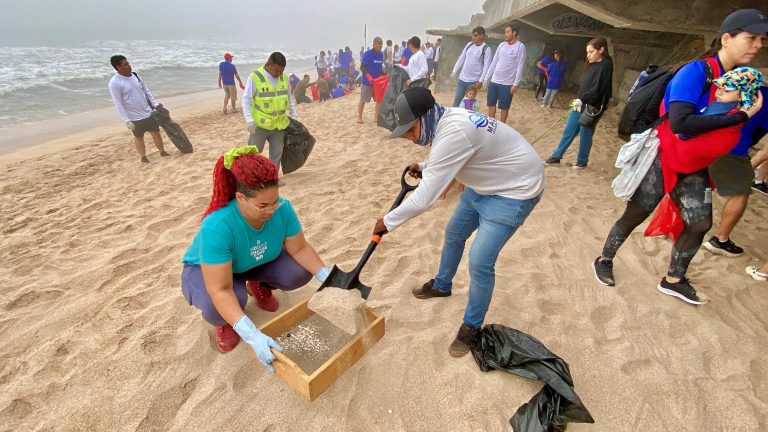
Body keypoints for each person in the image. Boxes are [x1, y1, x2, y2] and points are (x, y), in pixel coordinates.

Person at [591, 10, 766, 305]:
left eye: (762, 40)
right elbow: (680, 123)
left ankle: (673, 279)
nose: (758, 45)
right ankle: (604, 258)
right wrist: (740, 116)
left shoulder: (736, 80)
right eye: (751, 38)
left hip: (695, 164)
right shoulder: (697, 72)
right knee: (636, 212)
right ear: (727, 38)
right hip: (665, 157)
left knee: (699, 223)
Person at [373, 87, 545, 357]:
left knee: (480, 260)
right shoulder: (447, 119)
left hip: (515, 191)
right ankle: (442, 286)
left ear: (426, 117)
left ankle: (472, 328)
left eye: (410, 129)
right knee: (454, 233)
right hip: (484, 184)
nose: (408, 136)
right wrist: (425, 165)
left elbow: (424, 199)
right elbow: (451, 154)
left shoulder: (455, 131)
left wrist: (387, 221)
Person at [181, 146, 331, 367]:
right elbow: (220, 289)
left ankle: (259, 285)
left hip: (254, 259)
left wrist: (328, 277)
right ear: (240, 198)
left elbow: (299, 249)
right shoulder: (217, 226)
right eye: (262, 206)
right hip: (212, 273)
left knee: (298, 272)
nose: (271, 210)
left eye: (275, 201)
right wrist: (252, 335)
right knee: (219, 305)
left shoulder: (283, 208)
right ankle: (226, 322)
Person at [703, 63, 768, 255]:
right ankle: (720, 240)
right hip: (732, 148)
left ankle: (677, 223)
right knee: (741, 193)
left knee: (700, 182)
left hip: (710, 142)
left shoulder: (755, 89)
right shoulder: (762, 98)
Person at [544, 38, 613, 168]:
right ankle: (556, 157)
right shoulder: (592, 64)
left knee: (585, 134)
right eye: (587, 52)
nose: (588, 55)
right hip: (580, 103)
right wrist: (579, 99)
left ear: (602, 50)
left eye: (591, 52)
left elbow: (598, 88)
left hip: (592, 106)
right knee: (569, 130)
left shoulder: (606, 65)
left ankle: (582, 162)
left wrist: (583, 99)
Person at [241, 52, 297, 172]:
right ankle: (251, 179)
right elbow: (246, 100)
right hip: (260, 125)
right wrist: (249, 120)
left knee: (276, 154)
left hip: (278, 125)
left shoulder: (284, 78)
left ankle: (273, 179)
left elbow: (289, 98)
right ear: (268, 65)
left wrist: (294, 115)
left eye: (281, 71)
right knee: (253, 154)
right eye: (276, 71)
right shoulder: (255, 77)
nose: (278, 74)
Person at [108, 55, 168, 164]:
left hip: (148, 112)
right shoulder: (114, 83)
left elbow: (146, 91)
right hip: (134, 116)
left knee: (156, 132)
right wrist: (126, 120)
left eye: (128, 63)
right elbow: (118, 103)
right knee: (139, 136)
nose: (129, 65)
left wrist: (155, 105)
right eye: (125, 64)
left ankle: (162, 151)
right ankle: (143, 156)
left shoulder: (136, 76)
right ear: (118, 67)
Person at [678, 67, 762, 140]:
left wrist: (682, 134)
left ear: (742, 95)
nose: (719, 93)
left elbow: (698, 126)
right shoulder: (740, 108)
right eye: (719, 87)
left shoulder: (720, 108)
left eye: (726, 90)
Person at [482, 23, 526, 124]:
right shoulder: (501, 45)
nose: (505, 34)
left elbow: (520, 66)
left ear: (514, 33)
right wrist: (487, 77)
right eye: (505, 32)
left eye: (507, 32)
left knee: (504, 107)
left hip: (507, 83)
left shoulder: (520, 47)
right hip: (494, 81)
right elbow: (494, 62)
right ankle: (491, 123)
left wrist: (515, 84)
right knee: (491, 104)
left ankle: (502, 126)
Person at [451, 26, 492, 108]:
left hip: (473, 81)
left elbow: (486, 67)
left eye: (475, 35)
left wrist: (481, 81)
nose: (473, 37)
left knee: (470, 102)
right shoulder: (469, 45)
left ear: (482, 36)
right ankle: (453, 117)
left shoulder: (486, 49)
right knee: (458, 99)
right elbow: (461, 58)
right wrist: (454, 71)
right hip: (462, 78)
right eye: (473, 35)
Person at [357, 36, 384, 124]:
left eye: (381, 44)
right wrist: (368, 76)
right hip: (367, 82)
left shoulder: (381, 54)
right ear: (374, 44)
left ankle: (376, 117)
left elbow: (380, 68)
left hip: (377, 82)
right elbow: (362, 67)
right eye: (379, 44)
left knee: (379, 100)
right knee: (363, 99)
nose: (380, 45)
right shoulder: (368, 54)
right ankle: (359, 117)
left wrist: (385, 74)